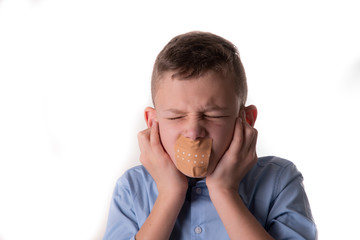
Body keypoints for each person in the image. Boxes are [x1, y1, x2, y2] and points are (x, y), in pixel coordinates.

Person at [103, 31, 317, 240]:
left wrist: (224, 191)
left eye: (213, 115)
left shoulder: (279, 181)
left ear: (246, 120)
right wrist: (170, 193)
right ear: (152, 122)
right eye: (176, 117)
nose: (194, 132)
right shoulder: (132, 188)